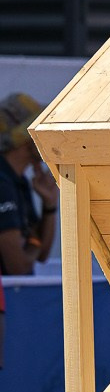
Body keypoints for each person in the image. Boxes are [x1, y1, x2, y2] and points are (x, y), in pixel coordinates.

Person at [0, 93, 55, 279]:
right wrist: (34, 243)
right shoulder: (3, 183)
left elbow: (42, 255)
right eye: (38, 130)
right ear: (23, 137)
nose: (46, 136)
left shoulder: (17, 179)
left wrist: (50, 204)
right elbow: (19, 268)